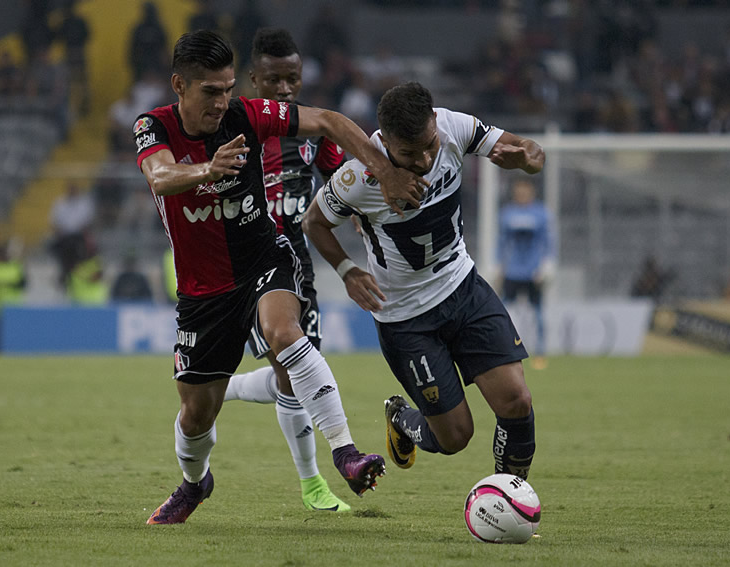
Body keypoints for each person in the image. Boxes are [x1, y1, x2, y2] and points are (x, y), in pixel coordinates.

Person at [134, 30, 426, 525]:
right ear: (179, 85)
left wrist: (384, 172)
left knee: (285, 333)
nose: (222, 102)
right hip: (204, 291)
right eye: (210, 91)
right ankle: (194, 484)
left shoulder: (247, 115)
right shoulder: (153, 126)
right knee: (196, 415)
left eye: (228, 88)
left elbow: (329, 122)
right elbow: (160, 177)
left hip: (264, 257)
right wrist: (209, 169)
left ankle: (345, 455)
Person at [303, 81, 544, 482]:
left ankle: (509, 497)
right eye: (408, 154)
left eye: (429, 145)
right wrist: (347, 270)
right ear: (385, 142)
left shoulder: (454, 127)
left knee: (516, 400)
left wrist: (530, 159)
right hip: (406, 320)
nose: (425, 158)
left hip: (463, 288)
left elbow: (527, 149)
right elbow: (314, 221)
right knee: (455, 437)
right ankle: (400, 417)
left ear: (435, 121)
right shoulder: (358, 178)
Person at [220, 28, 349, 513]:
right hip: (249, 266)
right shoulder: (232, 132)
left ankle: (225, 386)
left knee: (297, 371)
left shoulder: (312, 132)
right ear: (253, 79)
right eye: (274, 79)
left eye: (292, 79)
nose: (285, 89)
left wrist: (355, 208)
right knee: (293, 372)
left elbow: (340, 182)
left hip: (296, 263)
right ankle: (313, 484)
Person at [497, 178, 555, 370]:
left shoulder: (541, 214)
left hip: (533, 272)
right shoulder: (507, 214)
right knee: (503, 312)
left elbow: (548, 242)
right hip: (512, 271)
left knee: (537, 313)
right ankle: (504, 350)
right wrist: (498, 265)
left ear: (531, 192)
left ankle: (540, 353)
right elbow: (501, 242)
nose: (521, 194)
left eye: (525, 191)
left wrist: (547, 265)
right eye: (518, 191)